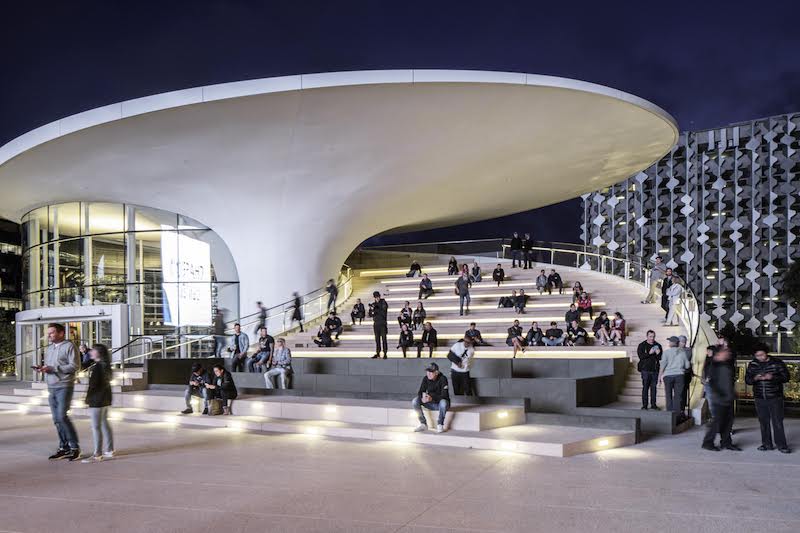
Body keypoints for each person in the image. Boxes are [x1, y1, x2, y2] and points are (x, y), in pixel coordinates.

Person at [35, 323, 80, 461]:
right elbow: (50, 367)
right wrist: (42, 369)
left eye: (52, 333)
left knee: (61, 417)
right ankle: (63, 447)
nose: (49, 335)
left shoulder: (70, 346)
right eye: (48, 333)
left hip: (64, 386)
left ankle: (74, 447)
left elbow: (75, 366)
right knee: (56, 419)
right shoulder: (49, 348)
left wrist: (53, 368)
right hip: (51, 387)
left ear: (61, 333)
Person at [746, 344, 791, 453]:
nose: (760, 357)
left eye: (761, 354)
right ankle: (766, 444)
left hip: (775, 397)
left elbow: (786, 377)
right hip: (759, 397)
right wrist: (755, 378)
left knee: (777, 422)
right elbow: (748, 380)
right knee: (763, 422)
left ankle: (782, 445)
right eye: (757, 355)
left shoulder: (777, 362)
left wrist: (773, 377)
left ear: (766, 352)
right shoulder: (753, 364)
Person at [81, 343, 115, 463]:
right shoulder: (106, 365)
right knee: (105, 423)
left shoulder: (98, 368)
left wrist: (87, 399)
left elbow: (93, 385)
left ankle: (97, 454)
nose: (90, 352)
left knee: (96, 427)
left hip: (97, 400)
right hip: (105, 399)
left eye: (93, 350)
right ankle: (110, 450)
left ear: (98, 353)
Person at [702, 346, 740, 451]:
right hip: (719, 399)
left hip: (727, 398)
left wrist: (732, 393)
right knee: (717, 422)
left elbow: (728, 382)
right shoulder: (713, 366)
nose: (727, 353)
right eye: (725, 352)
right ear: (718, 354)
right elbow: (712, 383)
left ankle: (726, 443)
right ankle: (708, 442)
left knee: (728, 423)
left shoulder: (726, 365)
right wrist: (720, 395)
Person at [412, 362, 450, 433]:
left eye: (431, 372)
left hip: (440, 404)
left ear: (436, 372)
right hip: (430, 403)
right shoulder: (426, 378)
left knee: (443, 402)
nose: (428, 374)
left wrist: (432, 398)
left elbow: (444, 395)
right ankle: (423, 423)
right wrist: (422, 397)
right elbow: (420, 391)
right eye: (427, 372)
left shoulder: (443, 379)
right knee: (415, 401)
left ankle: (440, 424)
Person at [658, 336, 691, 415]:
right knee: (678, 396)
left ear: (672, 343)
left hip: (668, 376)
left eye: (669, 341)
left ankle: (669, 415)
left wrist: (659, 377)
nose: (669, 343)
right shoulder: (682, 352)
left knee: (668, 396)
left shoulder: (666, 352)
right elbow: (687, 366)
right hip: (679, 376)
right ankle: (677, 416)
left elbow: (662, 365)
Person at [637, 330, 663, 410]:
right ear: (647, 336)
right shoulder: (642, 345)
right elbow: (641, 356)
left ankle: (653, 405)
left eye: (653, 336)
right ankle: (644, 405)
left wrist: (658, 354)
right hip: (645, 370)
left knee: (653, 388)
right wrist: (650, 353)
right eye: (650, 336)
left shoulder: (658, 345)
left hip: (654, 370)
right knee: (645, 388)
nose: (652, 338)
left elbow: (660, 358)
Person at [370, 291, 389, 359]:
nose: (377, 298)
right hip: (376, 324)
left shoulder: (383, 302)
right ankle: (378, 353)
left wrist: (376, 309)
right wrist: (372, 309)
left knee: (384, 339)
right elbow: (370, 314)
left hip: (382, 323)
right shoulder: (373, 304)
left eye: (377, 297)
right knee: (377, 339)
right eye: (375, 297)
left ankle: (385, 353)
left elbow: (384, 311)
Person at [701, 345, 717, 419]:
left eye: (709, 351)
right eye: (707, 351)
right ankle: (712, 416)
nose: (707, 352)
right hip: (707, 383)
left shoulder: (715, 360)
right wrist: (703, 379)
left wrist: (709, 377)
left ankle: (715, 417)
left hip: (713, 382)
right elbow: (704, 370)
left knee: (711, 400)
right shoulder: (707, 359)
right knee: (708, 399)